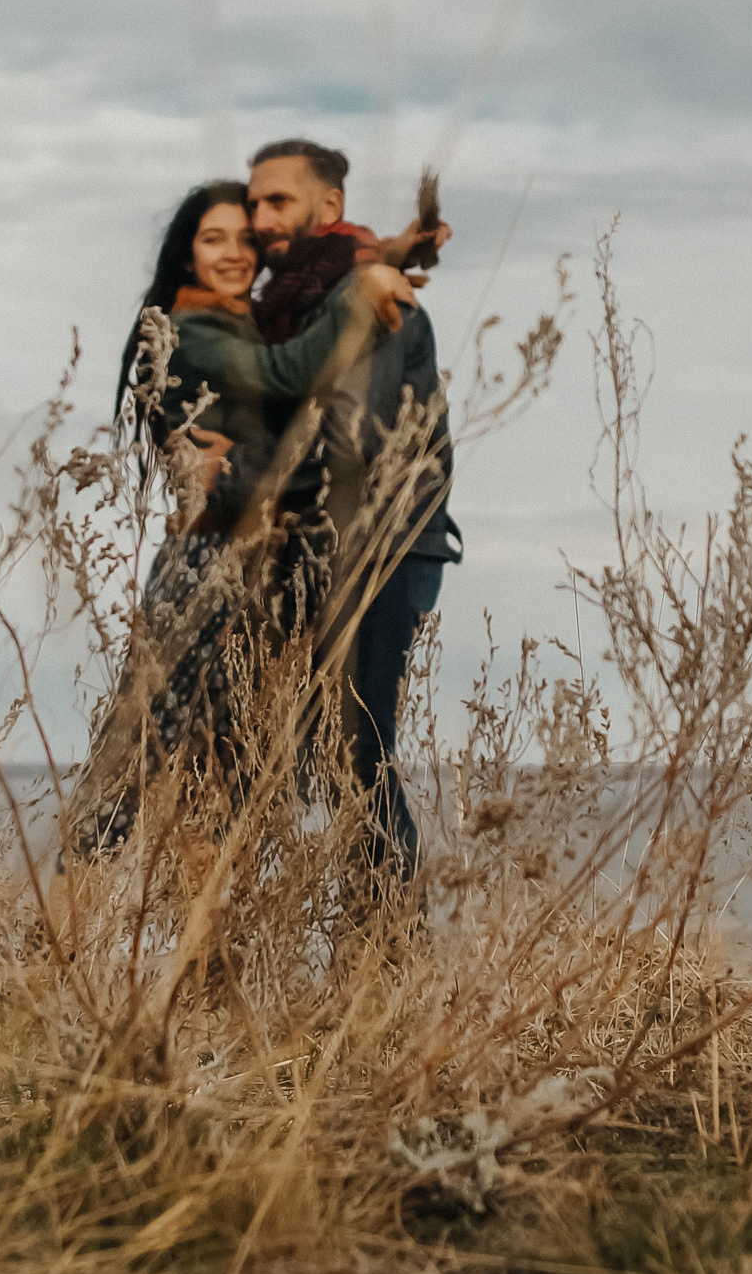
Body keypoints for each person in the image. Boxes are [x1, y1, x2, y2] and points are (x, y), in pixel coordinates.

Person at [61, 178, 414, 856]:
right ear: (185, 254)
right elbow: (284, 375)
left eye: (244, 241)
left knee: (227, 768)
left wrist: (377, 252)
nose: (232, 254)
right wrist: (363, 293)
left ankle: (208, 952)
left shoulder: (248, 324)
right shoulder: (192, 329)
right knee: (139, 752)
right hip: (204, 562)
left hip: (262, 571)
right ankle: (61, 932)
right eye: (212, 239)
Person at [246, 137, 458, 892]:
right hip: (334, 547)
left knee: (358, 758)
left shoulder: (361, 297)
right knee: (318, 758)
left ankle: (388, 958)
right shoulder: (311, 294)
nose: (261, 216)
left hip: (375, 548)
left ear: (328, 206)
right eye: (255, 202)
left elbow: (353, 442)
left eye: (280, 200)